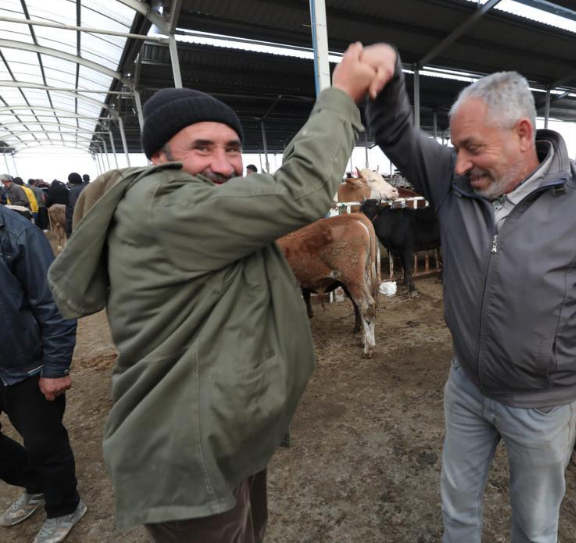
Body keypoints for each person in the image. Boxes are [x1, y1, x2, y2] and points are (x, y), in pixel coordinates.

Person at [48, 42, 388, 541]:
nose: (226, 164)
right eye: (202, 147)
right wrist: (340, 96)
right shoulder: (161, 203)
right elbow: (300, 192)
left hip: (224, 433)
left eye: (233, 148)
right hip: (188, 448)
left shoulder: (199, 212)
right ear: (158, 158)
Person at [363, 44, 576, 543]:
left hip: (542, 404)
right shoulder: (455, 184)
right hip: (467, 387)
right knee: (458, 511)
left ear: (522, 134)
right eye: (456, 147)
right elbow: (397, 133)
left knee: (534, 527)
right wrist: (386, 84)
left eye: (473, 147)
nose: (460, 163)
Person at [0, 205, 86, 543]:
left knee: (44, 442)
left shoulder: (17, 233)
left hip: (26, 363)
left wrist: (54, 367)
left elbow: (54, 303)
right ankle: (35, 484)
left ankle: (65, 506)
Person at [64, 173, 86, 238]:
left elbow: (73, 207)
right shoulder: (87, 187)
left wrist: (69, 228)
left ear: (70, 181)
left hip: (78, 220)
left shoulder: (73, 191)